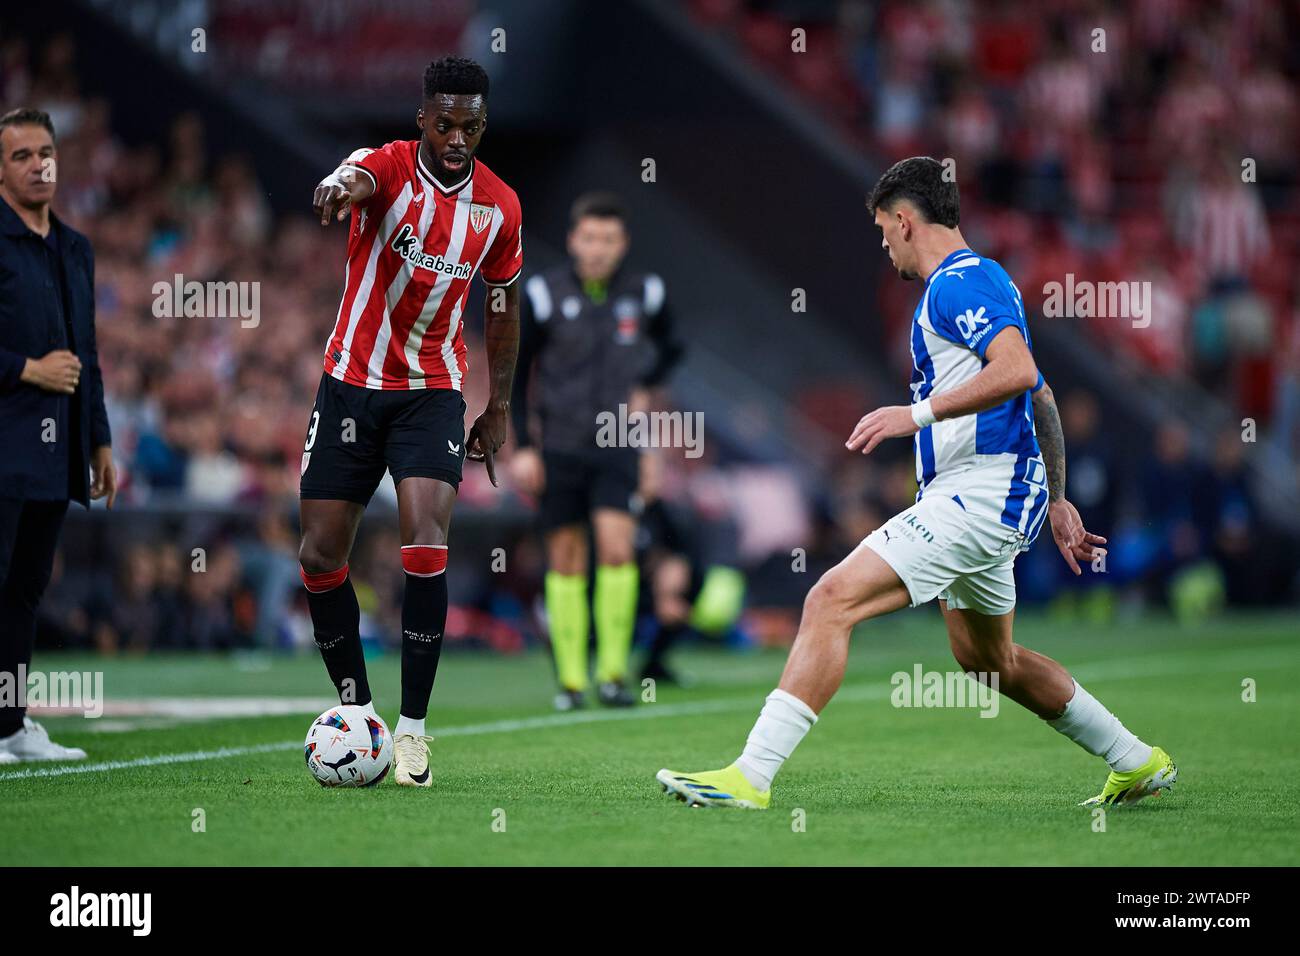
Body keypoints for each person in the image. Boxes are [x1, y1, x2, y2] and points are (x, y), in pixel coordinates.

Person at [657, 157, 1176, 809]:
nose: (884, 246)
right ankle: (1135, 758)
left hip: (979, 495)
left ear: (905, 221)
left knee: (829, 599)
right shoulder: (986, 283)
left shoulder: (957, 284)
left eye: (882, 231)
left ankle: (750, 777)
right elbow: (1040, 395)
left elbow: (1016, 370)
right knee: (990, 662)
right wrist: (1060, 493)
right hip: (985, 496)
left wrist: (917, 413)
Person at [299, 57, 521, 787]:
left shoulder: (500, 208)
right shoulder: (386, 167)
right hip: (351, 385)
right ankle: (358, 712)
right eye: (447, 123)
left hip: (432, 392)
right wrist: (338, 187)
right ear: (423, 117)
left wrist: (501, 404)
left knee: (426, 542)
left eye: (473, 127)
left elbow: (503, 306)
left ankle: (414, 732)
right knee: (320, 556)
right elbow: (352, 178)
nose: (459, 138)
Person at [509, 193, 682, 710]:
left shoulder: (645, 292)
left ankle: (611, 675)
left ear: (623, 242)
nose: (599, 248)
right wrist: (523, 447)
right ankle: (569, 682)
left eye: (609, 239)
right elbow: (516, 375)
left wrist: (648, 384)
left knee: (617, 551)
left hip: (618, 444)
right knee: (565, 560)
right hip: (558, 446)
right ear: (572, 239)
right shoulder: (541, 293)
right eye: (590, 237)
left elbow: (674, 348)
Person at [0, 107, 116, 763]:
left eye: (45, 151)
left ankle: (10, 725)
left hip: (53, 451)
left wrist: (98, 439)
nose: (39, 164)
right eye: (21, 155)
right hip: (5, 439)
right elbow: (50, 361)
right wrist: (26, 368)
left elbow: (89, 352)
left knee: (23, 591)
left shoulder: (75, 248)